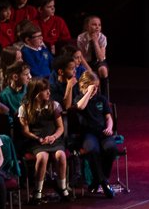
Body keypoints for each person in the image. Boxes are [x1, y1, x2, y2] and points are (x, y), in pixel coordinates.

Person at [71, 69, 118, 198]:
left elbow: (108, 117)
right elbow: (80, 107)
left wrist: (109, 127)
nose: (95, 90)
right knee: (92, 150)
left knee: (112, 149)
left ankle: (100, 180)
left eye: (96, 87)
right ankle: (104, 183)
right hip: (88, 134)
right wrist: (88, 93)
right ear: (83, 86)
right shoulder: (79, 98)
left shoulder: (101, 99)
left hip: (102, 132)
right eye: (93, 87)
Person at [21, 80, 71, 201]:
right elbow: (26, 131)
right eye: (44, 90)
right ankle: (38, 190)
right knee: (42, 157)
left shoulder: (54, 105)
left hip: (54, 139)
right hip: (36, 141)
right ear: (36, 93)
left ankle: (62, 187)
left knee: (61, 155)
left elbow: (60, 127)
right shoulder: (25, 108)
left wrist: (53, 137)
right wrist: (38, 138)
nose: (49, 92)